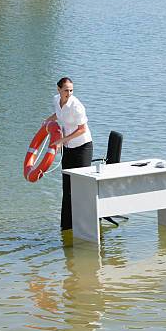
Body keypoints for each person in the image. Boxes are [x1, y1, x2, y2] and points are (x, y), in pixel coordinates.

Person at [44, 77, 93, 231]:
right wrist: (47, 121)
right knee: (67, 187)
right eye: (66, 90)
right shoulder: (56, 100)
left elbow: (82, 129)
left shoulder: (76, 106)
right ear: (58, 90)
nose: (69, 93)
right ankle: (66, 226)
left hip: (82, 147)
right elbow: (58, 115)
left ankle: (86, 223)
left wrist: (62, 140)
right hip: (68, 148)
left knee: (81, 187)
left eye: (71, 90)